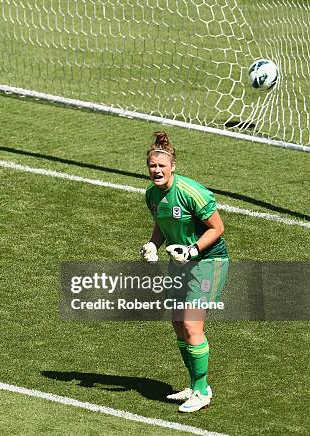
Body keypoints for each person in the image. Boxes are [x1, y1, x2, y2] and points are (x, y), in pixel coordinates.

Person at [140, 131, 229, 413]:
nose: (157, 170)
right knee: (178, 323)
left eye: (161, 166)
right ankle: (194, 385)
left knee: (192, 324)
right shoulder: (152, 194)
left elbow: (217, 228)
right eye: (152, 166)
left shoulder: (191, 192)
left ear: (172, 167)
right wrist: (153, 245)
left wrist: (192, 251)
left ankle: (202, 391)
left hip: (207, 262)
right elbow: (161, 224)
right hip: (179, 263)